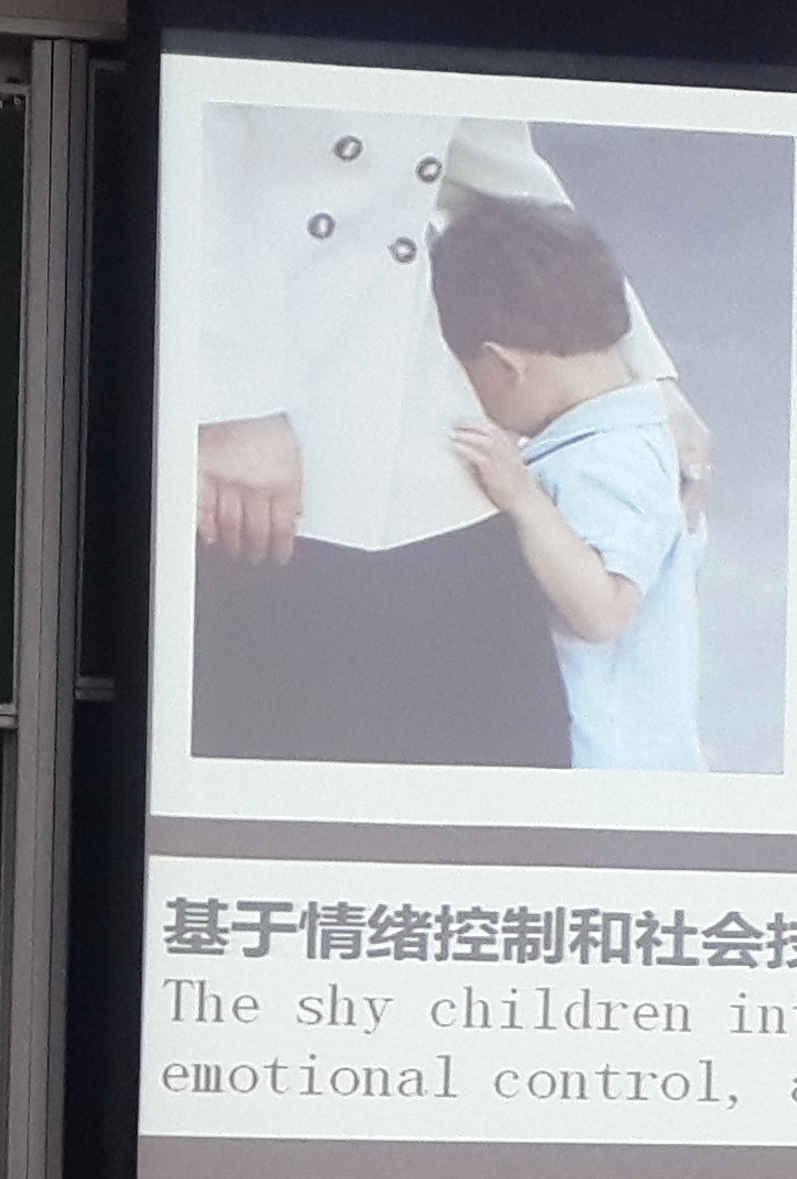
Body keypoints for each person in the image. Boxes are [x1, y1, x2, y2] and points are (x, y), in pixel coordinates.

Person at [193, 106, 712, 767]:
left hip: (424, 420)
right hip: (261, 394)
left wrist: (645, 378)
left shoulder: (608, 456)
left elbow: (513, 188)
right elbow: (193, 159)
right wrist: (233, 398)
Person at [435, 197, 707, 772]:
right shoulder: (622, 436)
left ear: (503, 364)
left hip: (608, 769)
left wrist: (522, 497)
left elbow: (605, 610)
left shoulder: (610, 459)